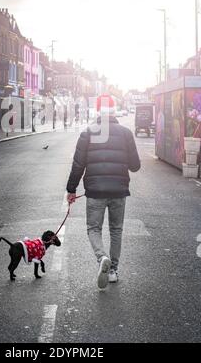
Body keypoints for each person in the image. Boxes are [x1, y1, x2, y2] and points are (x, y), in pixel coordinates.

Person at [66, 94, 141, 290]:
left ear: (98, 110)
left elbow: (78, 165)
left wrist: (71, 189)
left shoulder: (87, 133)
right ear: (114, 110)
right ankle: (113, 271)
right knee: (116, 230)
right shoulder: (125, 133)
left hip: (95, 192)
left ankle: (102, 258)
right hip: (119, 191)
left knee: (93, 229)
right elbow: (135, 166)